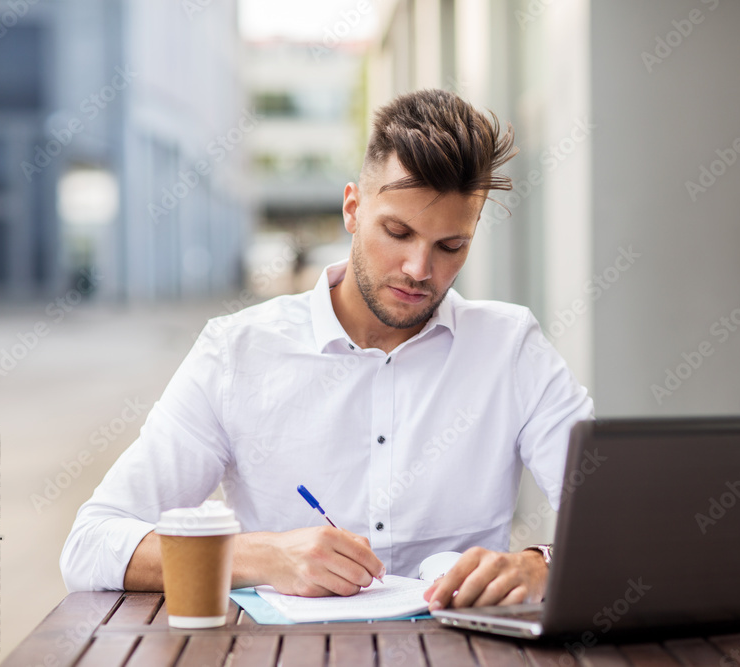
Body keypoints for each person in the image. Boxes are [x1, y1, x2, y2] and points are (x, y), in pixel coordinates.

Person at [60, 89, 593, 610]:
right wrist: (259, 556)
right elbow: (91, 545)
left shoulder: (511, 347)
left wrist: (543, 562)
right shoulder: (235, 352)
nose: (418, 269)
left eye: (450, 246)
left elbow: (618, 522)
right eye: (397, 231)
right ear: (353, 208)